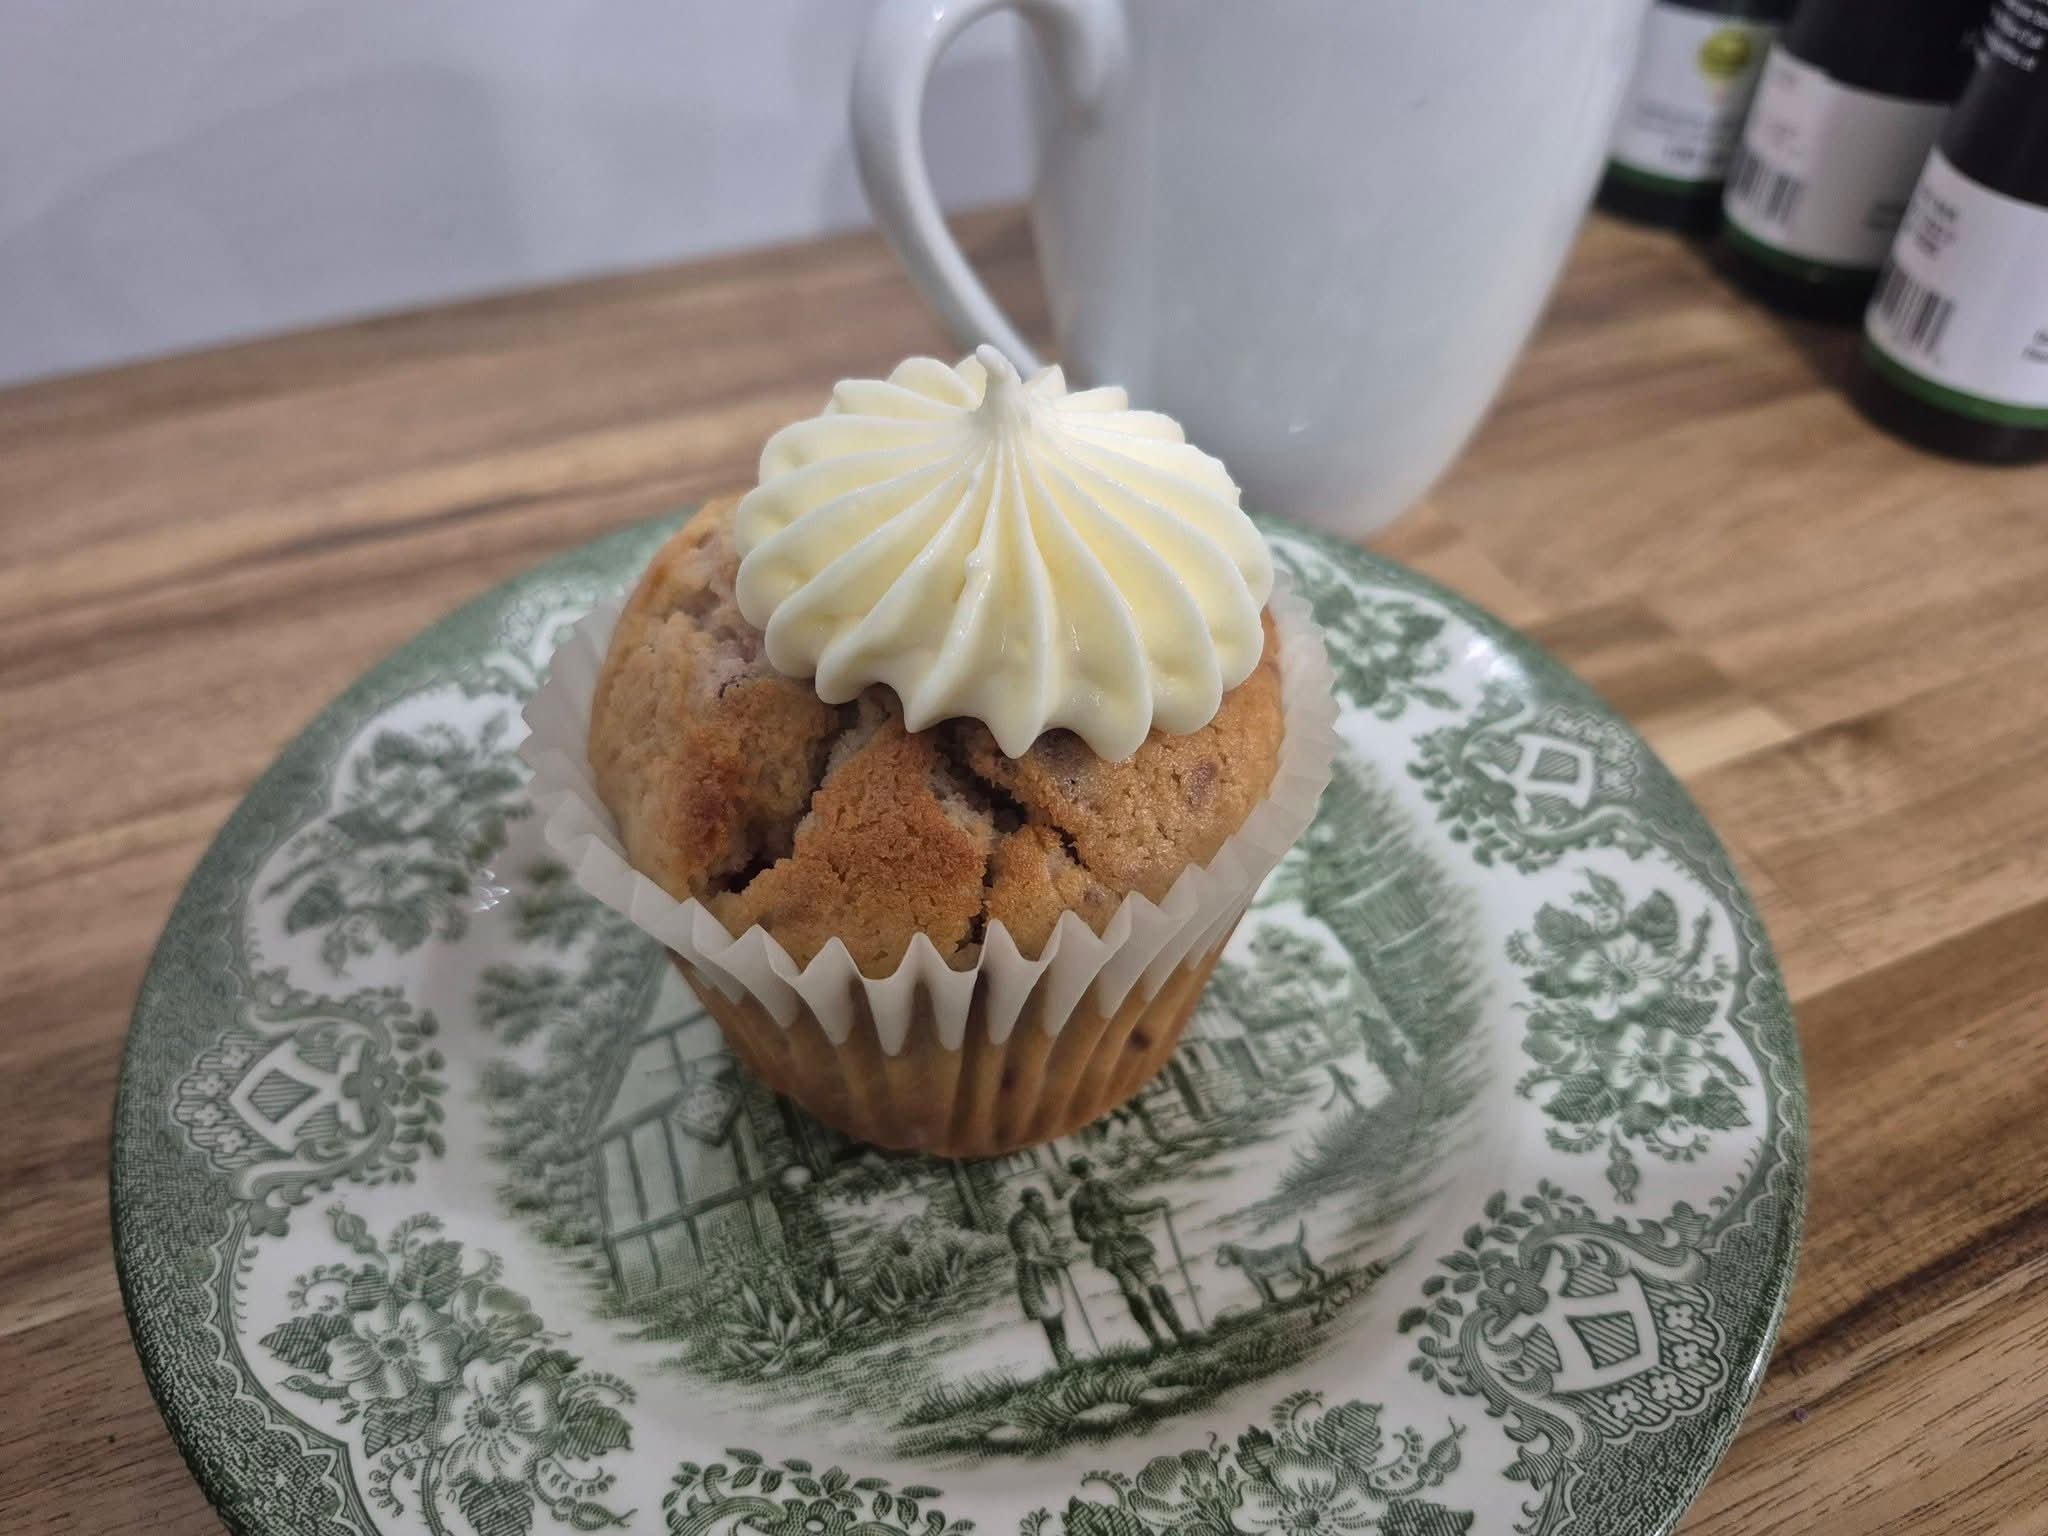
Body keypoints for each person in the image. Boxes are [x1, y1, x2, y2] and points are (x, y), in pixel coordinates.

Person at [1065, 1155, 1193, 1350]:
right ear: (1091, 1166)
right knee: (1153, 1283)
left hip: (1108, 1250)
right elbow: (1126, 1206)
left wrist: (1097, 1236)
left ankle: (1156, 1341)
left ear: (1075, 1174)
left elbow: (1081, 1231)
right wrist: (1155, 1202)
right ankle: (1180, 1334)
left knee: (1132, 1291)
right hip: (1128, 1242)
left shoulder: (1075, 1200)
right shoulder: (1104, 1186)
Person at [1007, 1187, 1076, 1368]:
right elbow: (1029, 1256)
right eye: (1037, 1200)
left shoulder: (1036, 1219)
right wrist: (1056, 1262)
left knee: (1056, 1313)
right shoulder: (1023, 1224)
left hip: (1045, 1273)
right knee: (1050, 1316)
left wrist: (1060, 1251)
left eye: (1041, 1198)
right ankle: (1063, 1360)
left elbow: (1044, 1246)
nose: (1042, 1203)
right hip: (1034, 1275)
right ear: (1028, 1202)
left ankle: (1065, 1356)